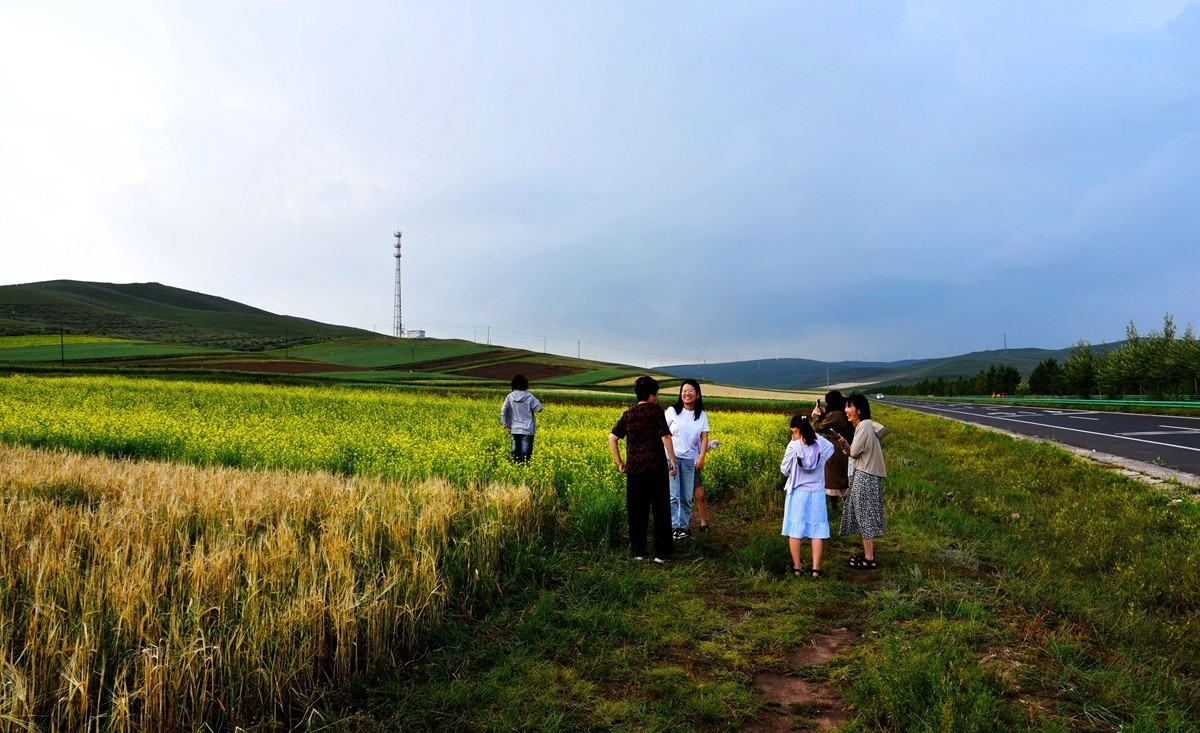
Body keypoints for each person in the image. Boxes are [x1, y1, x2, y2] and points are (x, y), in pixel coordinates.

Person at [609, 376, 678, 563]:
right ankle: (661, 553)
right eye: (656, 393)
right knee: (660, 510)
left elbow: (612, 438)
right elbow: (665, 436)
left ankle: (639, 551)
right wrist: (672, 460)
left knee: (637, 510)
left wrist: (620, 463)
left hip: (635, 471)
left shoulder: (628, 414)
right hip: (656, 468)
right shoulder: (656, 411)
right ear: (651, 394)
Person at [833, 393, 889, 570]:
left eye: (849, 406)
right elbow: (854, 451)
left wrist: (847, 447)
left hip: (865, 476)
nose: (846, 410)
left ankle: (869, 558)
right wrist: (845, 445)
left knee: (864, 516)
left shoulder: (864, 426)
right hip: (865, 475)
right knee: (864, 515)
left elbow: (855, 452)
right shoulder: (864, 426)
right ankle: (868, 554)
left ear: (859, 410)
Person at [781, 415, 834, 578]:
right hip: (817, 493)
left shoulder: (793, 446)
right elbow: (831, 449)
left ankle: (797, 568)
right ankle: (816, 569)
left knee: (795, 530)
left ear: (795, 430)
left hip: (798, 493)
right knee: (817, 530)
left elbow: (784, 469)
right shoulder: (821, 444)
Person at [665, 379, 710, 539]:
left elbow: (704, 438)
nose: (687, 393)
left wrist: (701, 456)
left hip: (689, 459)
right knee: (673, 495)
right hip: (672, 457)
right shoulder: (672, 411)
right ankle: (673, 527)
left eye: (691, 391)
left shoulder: (701, 415)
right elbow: (663, 434)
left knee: (685, 496)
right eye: (684, 390)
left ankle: (683, 528)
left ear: (697, 395)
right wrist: (670, 458)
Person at [811, 390, 854, 510]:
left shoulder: (834, 415)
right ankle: (844, 506)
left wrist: (816, 416)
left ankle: (836, 506)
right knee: (843, 476)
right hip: (842, 449)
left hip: (835, 450)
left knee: (833, 478)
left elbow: (819, 427)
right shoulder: (841, 413)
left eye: (827, 402)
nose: (826, 404)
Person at [500, 374, 543, 463]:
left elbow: (503, 412)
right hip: (527, 429)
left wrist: (506, 425)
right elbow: (538, 409)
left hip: (514, 428)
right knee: (526, 454)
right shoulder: (530, 396)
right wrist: (538, 402)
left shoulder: (510, 396)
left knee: (515, 453)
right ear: (525, 384)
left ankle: (517, 468)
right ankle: (525, 468)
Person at [693, 438, 718, 531]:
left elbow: (700, 447)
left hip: (695, 466)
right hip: (681, 463)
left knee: (701, 496)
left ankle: (704, 524)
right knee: (682, 498)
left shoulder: (698, 426)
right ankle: (682, 526)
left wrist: (710, 445)